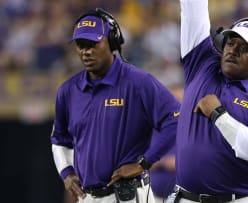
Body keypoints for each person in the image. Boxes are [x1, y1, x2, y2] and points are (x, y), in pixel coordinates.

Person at [50, 8, 180, 203]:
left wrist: (144, 163)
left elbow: (176, 119)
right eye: (81, 45)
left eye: (93, 44)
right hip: (87, 197)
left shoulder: (139, 82)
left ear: (112, 42)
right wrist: (66, 173)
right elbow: (59, 139)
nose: (86, 51)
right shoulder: (68, 90)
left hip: (129, 196)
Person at [173, 0, 248, 202]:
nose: (233, 50)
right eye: (230, 42)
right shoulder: (202, 64)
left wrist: (218, 115)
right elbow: (193, 9)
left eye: (244, 47)